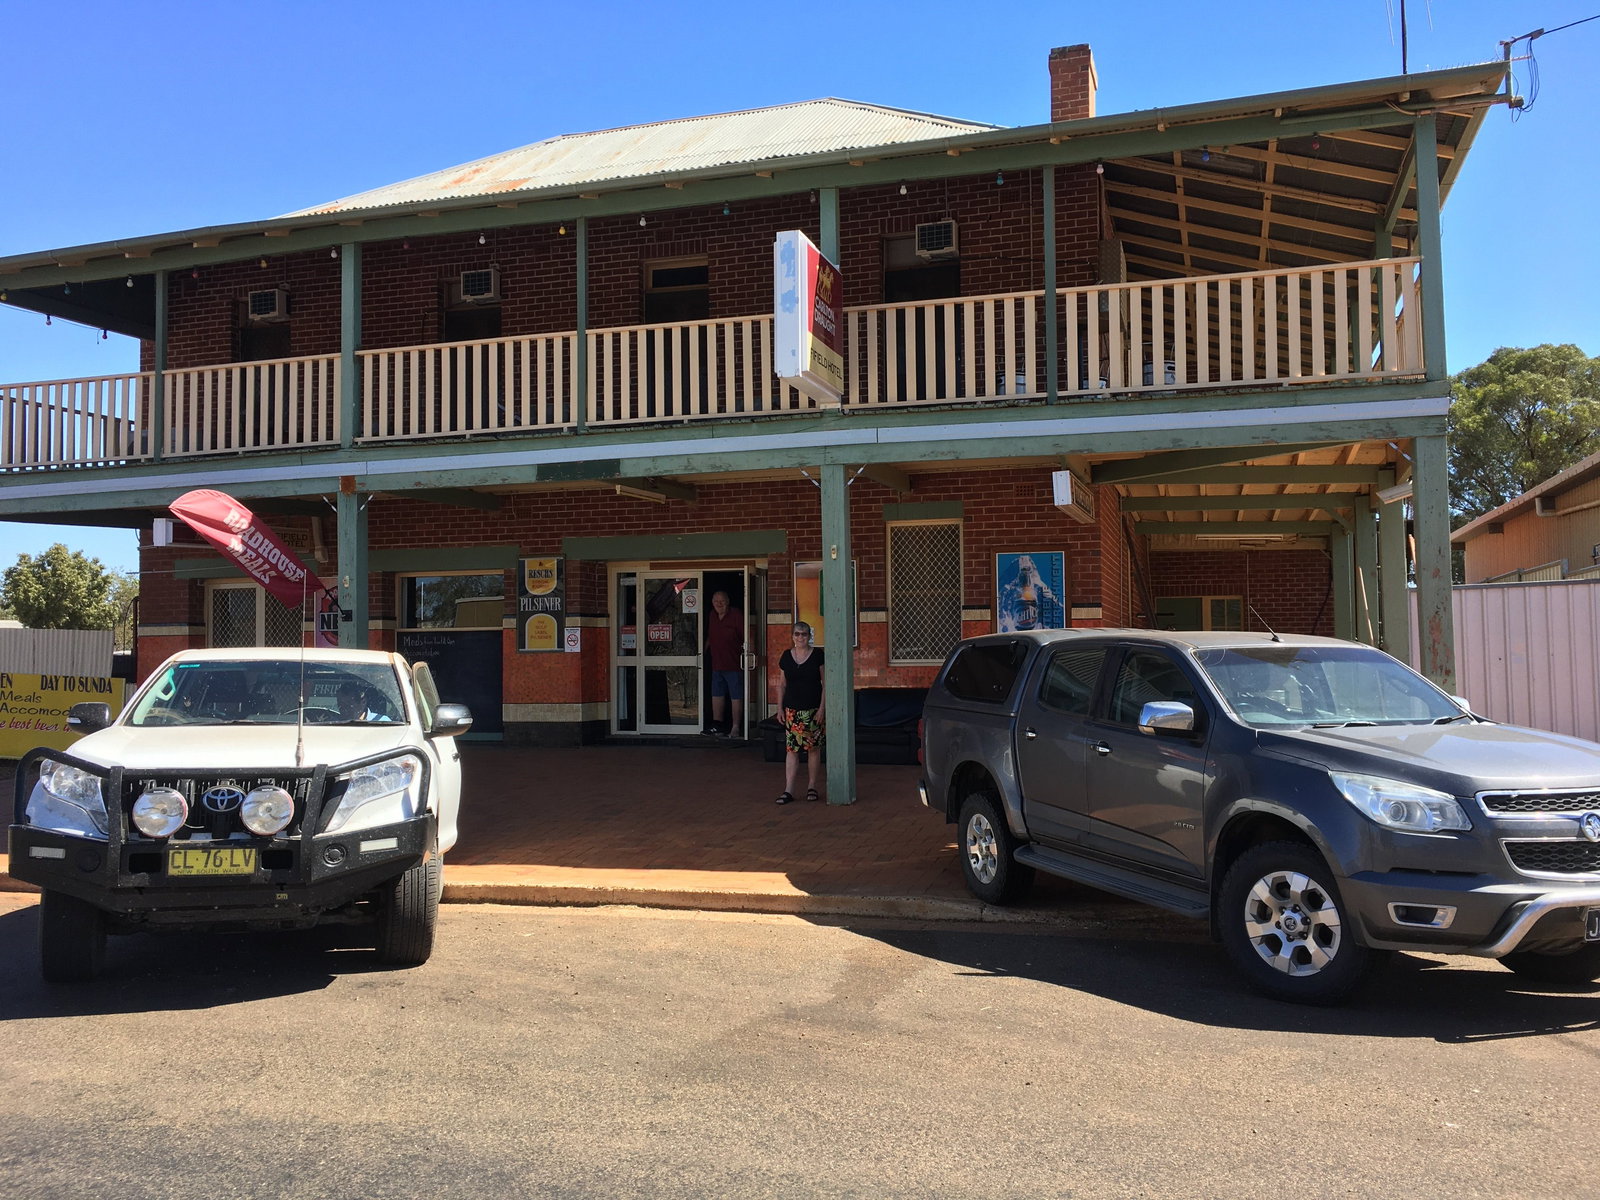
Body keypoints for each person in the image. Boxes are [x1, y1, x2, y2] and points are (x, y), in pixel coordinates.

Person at [775, 621, 825, 804]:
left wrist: (822, 709)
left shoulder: (818, 655)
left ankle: (812, 786)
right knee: (792, 749)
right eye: (797, 634)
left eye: (804, 634)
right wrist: (779, 708)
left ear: (809, 636)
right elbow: (781, 684)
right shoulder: (786, 657)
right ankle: (788, 789)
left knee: (813, 748)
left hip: (812, 709)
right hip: (792, 710)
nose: (801, 637)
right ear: (792, 636)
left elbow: (825, 684)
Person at [704, 590, 744, 737]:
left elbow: (747, 636)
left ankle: (736, 727)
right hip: (716, 664)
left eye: (722, 601)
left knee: (736, 696)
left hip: (733, 664)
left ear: (728, 602)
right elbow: (710, 636)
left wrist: (752, 656)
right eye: (716, 601)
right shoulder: (712, 616)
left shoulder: (736, 615)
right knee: (716, 695)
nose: (719, 604)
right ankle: (718, 726)